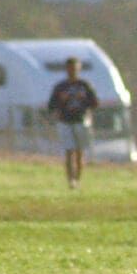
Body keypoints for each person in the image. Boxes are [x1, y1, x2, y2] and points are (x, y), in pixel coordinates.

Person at [45, 56, 99, 189]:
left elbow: (95, 103)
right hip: (65, 121)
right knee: (69, 152)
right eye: (70, 68)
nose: (72, 71)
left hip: (81, 121)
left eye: (75, 68)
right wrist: (61, 101)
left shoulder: (84, 86)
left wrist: (84, 100)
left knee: (80, 152)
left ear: (78, 69)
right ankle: (71, 180)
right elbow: (51, 106)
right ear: (66, 69)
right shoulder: (61, 87)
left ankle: (77, 178)